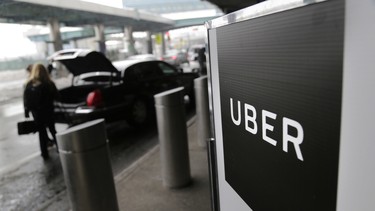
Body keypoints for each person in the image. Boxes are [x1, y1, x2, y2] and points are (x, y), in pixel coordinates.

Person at [23, 63, 59, 160]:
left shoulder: (29, 84)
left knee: (41, 132)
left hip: (36, 113)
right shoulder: (49, 83)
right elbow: (56, 96)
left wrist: (26, 111)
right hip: (48, 111)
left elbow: (26, 99)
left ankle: (44, 153)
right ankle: (60, 148)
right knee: (53, 130)